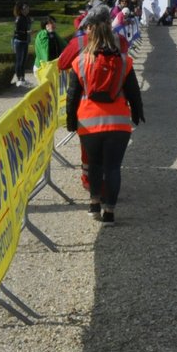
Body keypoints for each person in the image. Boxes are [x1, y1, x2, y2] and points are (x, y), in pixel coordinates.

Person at [68, 15, 145, 225]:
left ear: (90, 37)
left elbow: (72, 94)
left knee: (94, 165)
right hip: (118, 122)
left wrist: (70, 121)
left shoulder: (80, 61)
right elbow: (133, 92)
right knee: (112, 168)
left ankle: (94, 204)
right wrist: (138, 113)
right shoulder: (123, 61)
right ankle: (109, 211)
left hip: (89, 121)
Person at [10, 2, 33, 85]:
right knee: (19, 60)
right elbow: (16, 32)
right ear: (22, 10)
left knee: (23, 60)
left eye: (28, 8)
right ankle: (19, 78)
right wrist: (26, 32)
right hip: (19, 41)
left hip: (24, 41)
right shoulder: (19, 18)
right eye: (26, 8)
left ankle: (22, 78)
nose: (28, 10)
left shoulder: (26, 18)